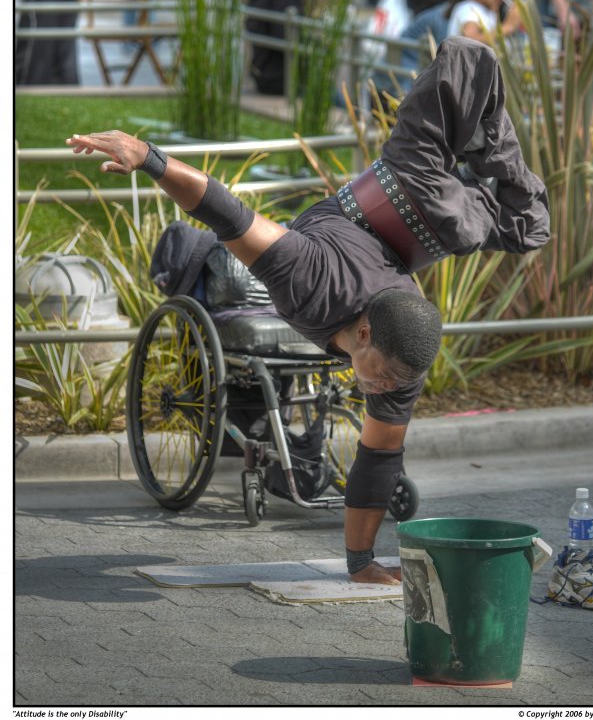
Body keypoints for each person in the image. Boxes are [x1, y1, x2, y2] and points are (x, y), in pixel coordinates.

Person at [66, 37, 550, 586]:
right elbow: (229, 213)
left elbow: (378, 459)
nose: (383, 387)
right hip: (406, 188)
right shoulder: (312, 278)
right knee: (469, 73)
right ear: (366, 331)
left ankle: (482, 137)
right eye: (385, 374)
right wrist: (147, 156)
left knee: (530, 226)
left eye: (395, 380)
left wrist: (360, 563)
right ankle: (476, 108)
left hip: (435, 217)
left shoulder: (401, 353)